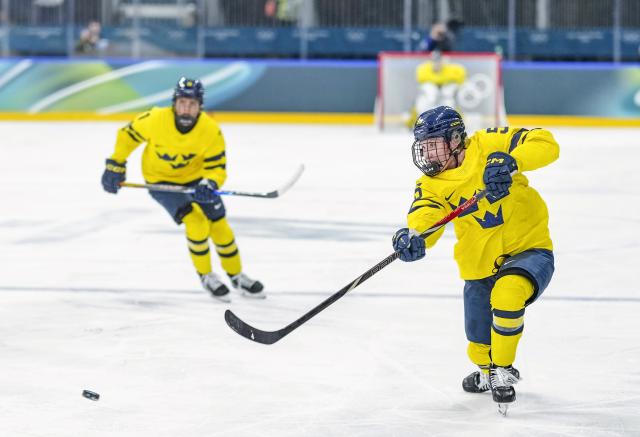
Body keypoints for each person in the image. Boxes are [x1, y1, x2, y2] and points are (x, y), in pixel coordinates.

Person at [392, 106, 558, 412]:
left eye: (434, 145)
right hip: (479, 264)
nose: (428, 155)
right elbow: (426, 216)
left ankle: (502, 372)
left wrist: (512, 161)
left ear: (456, 139)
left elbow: (546, 143)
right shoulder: (430, 184)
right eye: (423, 147)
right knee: (478, 344)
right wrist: (414, 236)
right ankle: (486, 370)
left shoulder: (489, 144)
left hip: (529, 247)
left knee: (508, 294)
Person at [101, 77, 265, 302]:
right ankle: (206, 275)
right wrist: (116, 163)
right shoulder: (155, 119)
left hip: (196, 180)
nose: (186, 109)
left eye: (192, 104)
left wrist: (210, 183)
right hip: (161, 182)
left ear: (200, 106)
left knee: (220, 227)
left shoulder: (210, 130)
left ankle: (236, 276)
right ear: (174, 103)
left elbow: (217, 167)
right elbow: (127, 135)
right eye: (182, 103)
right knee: (196, 223)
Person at [405, 50, 467, 128]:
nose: (437, 63)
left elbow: (459, 80)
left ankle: (457, 124)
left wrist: (448, 86)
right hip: (430, 97)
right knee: (430, 91)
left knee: (448, 94)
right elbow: (423, 82)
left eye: (439, 60)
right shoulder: (423, 69)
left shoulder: (453, 69)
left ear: (442, 60)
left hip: (445, 95)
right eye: (434, 61)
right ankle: (416, 123)